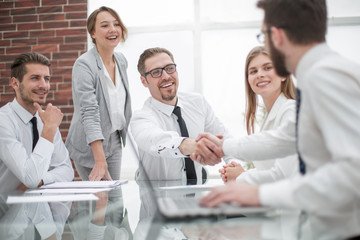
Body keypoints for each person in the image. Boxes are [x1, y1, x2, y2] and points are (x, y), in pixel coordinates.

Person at [199, 2, 360, 238]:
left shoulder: (325, 76)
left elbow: (351, 174)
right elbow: (285, 137)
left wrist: (256, 193)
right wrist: (223, 146)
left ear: (276, 35)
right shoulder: (316, 74)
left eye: (262, 37)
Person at [130, 47, 235, 183]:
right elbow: (157, 141)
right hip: (160, 202)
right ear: (144, 81)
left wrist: (232, 164)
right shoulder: (141, 118)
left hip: (197, 200)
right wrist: (195, 146)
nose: (166, 76)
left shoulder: (198, 103)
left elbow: (224, 137)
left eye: (169, 68)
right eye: (156, 72)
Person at [65, 6, 132, 181]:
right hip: (90, 145)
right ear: (93, 33)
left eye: (116, 24)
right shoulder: (84, 65)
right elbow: (89, 112)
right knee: (99, 202)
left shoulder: (121, 61)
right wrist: (99, 159)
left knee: (115, 198)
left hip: (114, 140)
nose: (112, 29)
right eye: (104, 25)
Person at [219, 46, 298, 184]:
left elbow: (284, 176)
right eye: (253, 71)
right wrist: (240, 172)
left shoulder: (291, 111)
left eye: (267, 68)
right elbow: (271, 168)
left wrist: (239, 177)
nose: (260, 74)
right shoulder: (271, 116)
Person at [0, 52, 74, 193]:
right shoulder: (3, 122)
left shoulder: (46, 120)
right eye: (35, 78)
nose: (43, 85)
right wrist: (49, 129)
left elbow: (67, 170)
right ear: (15, 83)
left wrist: (42, 179)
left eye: (46, 79)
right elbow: (30, 177)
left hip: (39, 209)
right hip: (6, 210)